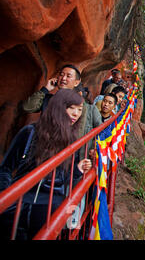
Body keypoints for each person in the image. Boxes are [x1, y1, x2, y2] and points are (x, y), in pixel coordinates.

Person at [0, 89, 92, 240]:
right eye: (71, 108)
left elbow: (65, 177)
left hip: (50, 208)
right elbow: (6, 168)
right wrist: (7, 197)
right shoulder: (30, 132)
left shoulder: (72, 141)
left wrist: (78, 170)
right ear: (58, 108)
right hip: (20, 204)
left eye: (80, 109)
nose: (76, 114)